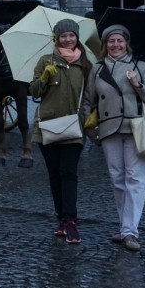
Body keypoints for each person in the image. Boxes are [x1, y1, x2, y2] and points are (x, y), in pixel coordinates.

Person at [81, 24, 145, 252]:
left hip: (136, 129)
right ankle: (125, 225)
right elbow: (88, 101)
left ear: (127, 43)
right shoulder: (97, 69)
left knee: (135, 180)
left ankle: (130, 232)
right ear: (105, 45)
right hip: (109, 130)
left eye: (120, 41)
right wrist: (90, 130)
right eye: (111, 41)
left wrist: (138, 85)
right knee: (118, 179)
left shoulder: (141, 66)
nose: (115, 45)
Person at [30, 18, 93, 244]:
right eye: (64, 36)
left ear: (77, 38)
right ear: (57, 38)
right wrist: (44, 78)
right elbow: (34, 91)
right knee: (54, 175)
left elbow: (89, 96)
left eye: (72, 35)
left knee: (69, 174)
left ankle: (71, 221)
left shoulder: (85, 65)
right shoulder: (45, 60)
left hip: (74, 128)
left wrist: (88, 121)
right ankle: (60, 218)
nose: (68, 39)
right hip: (46, 126)